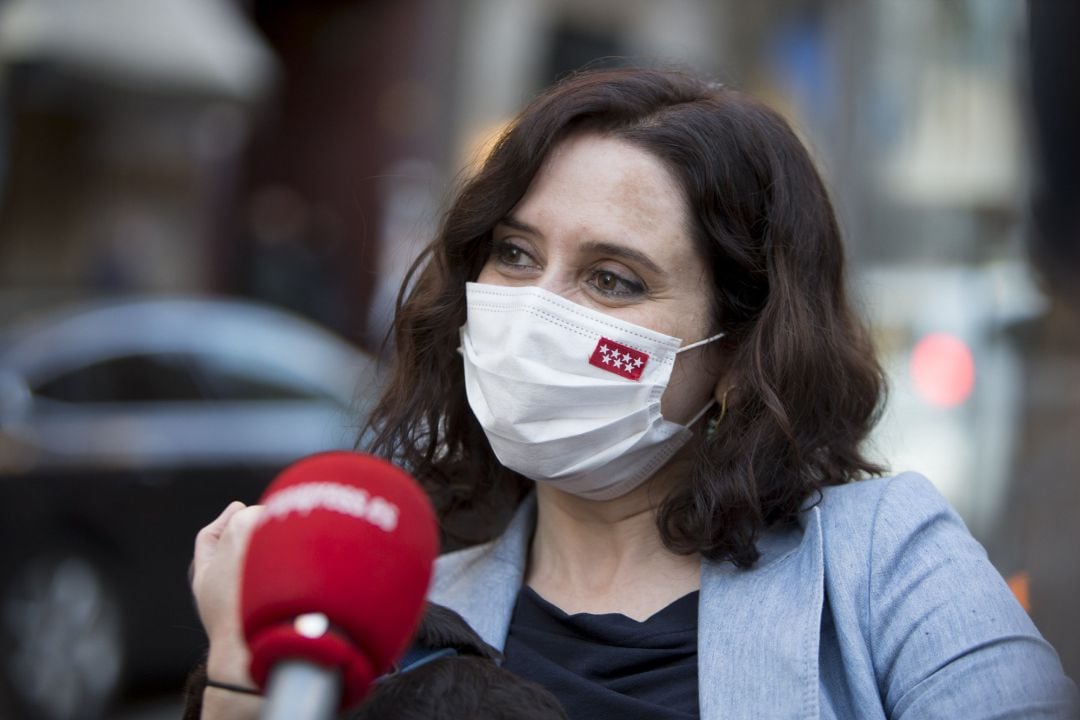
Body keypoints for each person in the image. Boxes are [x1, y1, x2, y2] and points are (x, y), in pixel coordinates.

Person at [189, 68, 1079, 719]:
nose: (538, 311)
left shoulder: (884, 563)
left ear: (738, 348)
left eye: (611, 280)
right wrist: (239, 680)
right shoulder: (390, 600)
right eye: (516, 253)